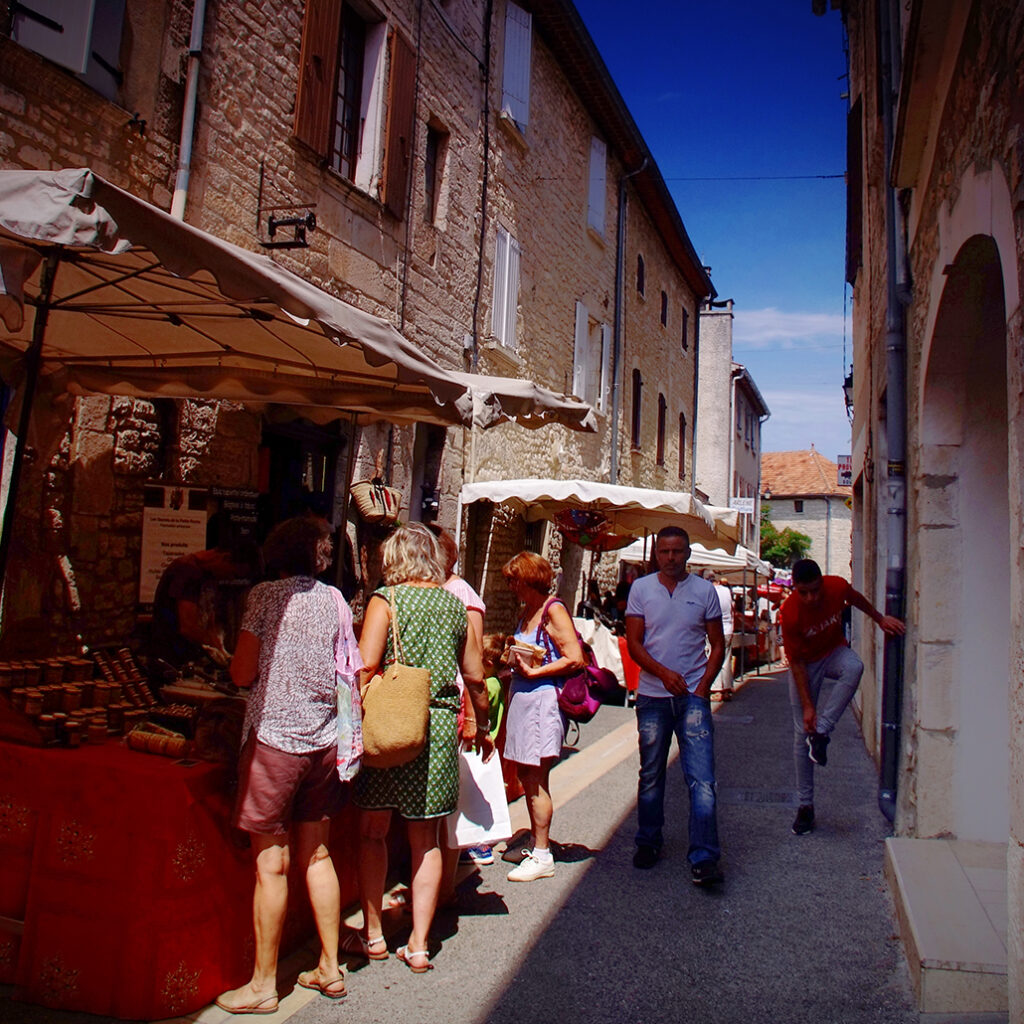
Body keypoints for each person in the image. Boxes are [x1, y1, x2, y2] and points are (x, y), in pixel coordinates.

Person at [216, 516, 361, 1013]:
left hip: (276, 742)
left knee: (271, 865)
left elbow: (242, 671)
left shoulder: (265, 597)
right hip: (324, 744)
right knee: (318, 857)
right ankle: (329, 967)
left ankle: (262, 986)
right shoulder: (336, 601)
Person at [350, 524, 491, 972]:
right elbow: (474, 676)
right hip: (439, 725)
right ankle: (418, 944)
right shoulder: (454, 606)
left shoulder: (384, 602)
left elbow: (365, 667)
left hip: (390, 725)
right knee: (425, 837)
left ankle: (373, 935)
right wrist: (481, 721)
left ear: (394, 558)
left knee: (373, 829)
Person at [625, 526, 726, 886]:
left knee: (702, 779)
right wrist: (663, 673)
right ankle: (649, 840)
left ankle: (705, 856)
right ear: (657, 555)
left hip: (692, 700)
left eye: (677, 551)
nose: (670, 558)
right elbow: (634, 642)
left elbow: (717, 644)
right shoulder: (641, 589)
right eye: (664, 552)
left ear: (688, 553)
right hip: (653, 697)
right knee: (651, 773)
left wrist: (701, 690)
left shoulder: (704, 591)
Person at [780, 558, 906, 835]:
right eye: (804, 592)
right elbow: (797, 664)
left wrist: (880, 618)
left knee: (855, 666)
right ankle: (805, 806)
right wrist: (809, 708)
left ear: (822, 583)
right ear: (795, 589)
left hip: (833, 651)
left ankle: (823, 732)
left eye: (815, 590)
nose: (811, 598)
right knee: (802, 731)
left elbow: (856, 599)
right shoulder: (789, 613)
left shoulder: (836, 587)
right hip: (806, 665)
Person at [502, 551, 585, 882]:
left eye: (514, 579)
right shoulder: (528, 611)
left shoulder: (553, 610)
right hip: (524, 699)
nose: (510, 586)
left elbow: (575, 658)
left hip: (540, 702)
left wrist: (536, 674)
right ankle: (538, 845)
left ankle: (541, 854)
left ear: (528, 578)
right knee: (526, 776)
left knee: (536, 779)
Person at [429, 526, 490, 889]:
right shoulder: (429, 590)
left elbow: (473, 658)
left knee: (447, 805)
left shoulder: (462, 592)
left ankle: (446, 885)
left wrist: (471, 716)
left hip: (453, 701)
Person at [150, 538, 258, 670]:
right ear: (225, 558)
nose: (230, 579)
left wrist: (223, 652)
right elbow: (187, 626)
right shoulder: (186, 570)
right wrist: (215, 647)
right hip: (171, 660)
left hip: (189, 659)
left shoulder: (208, 575)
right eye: (233, 573)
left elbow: (208, 620)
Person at [704, 570, 734, 701]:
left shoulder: (709, 591)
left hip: (714, 629)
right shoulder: (727, 591)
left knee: (714, 657)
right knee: (726, 659)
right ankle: (727, 688)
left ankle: (717, 689)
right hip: (728, 628)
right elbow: (732, 609)